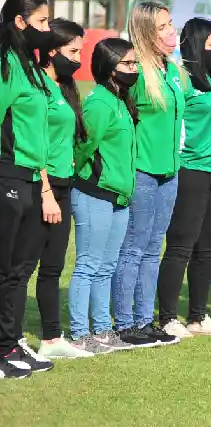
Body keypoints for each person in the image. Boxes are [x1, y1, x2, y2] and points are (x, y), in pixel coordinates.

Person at [111, 1, 187, 349]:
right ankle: (125, 324)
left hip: (169, 172)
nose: (171, 32)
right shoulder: (137, 72)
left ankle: (145, 319)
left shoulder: (172, 70)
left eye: (171, 24)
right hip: (142, 171)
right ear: (145, 33)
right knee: (134, 247)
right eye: (163, 27)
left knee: (153, 248)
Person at [156, 18, 211, 339]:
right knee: (180, 246)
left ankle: (198, 317)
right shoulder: (182, 77)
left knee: (207, 249)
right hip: (191, 170)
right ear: (195, 44)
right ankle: (166, 317)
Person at [68, 38, 141, 355]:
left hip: (119, 197)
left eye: (134, 63)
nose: (133, 69)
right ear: (108, 67)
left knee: (106, 266)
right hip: (94, 194)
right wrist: (83, 176)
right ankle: (79, 333)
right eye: (128, 64)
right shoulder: (98, 103)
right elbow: (83, 147)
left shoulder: (121, 101)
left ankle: (102, 330)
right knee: (88, 264)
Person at [0, 0, 56, 378]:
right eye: (42, 22)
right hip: (7, 174)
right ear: (20, 23)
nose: (47, 29)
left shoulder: (29, 65)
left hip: (33, 178)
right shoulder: (4, 63)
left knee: (19, 271)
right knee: (4, 270)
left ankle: (11, 342)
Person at [29, 19, 91, 360]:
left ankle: (52, 339)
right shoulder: (36, 85)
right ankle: (8, 340)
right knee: (20, 267)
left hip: (64, 185)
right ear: (51, 51)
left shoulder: (66, 87)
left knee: (53, 266)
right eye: (72, 51)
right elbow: (33, 140)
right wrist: (46, 191)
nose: (78, 58)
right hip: (41, 186)